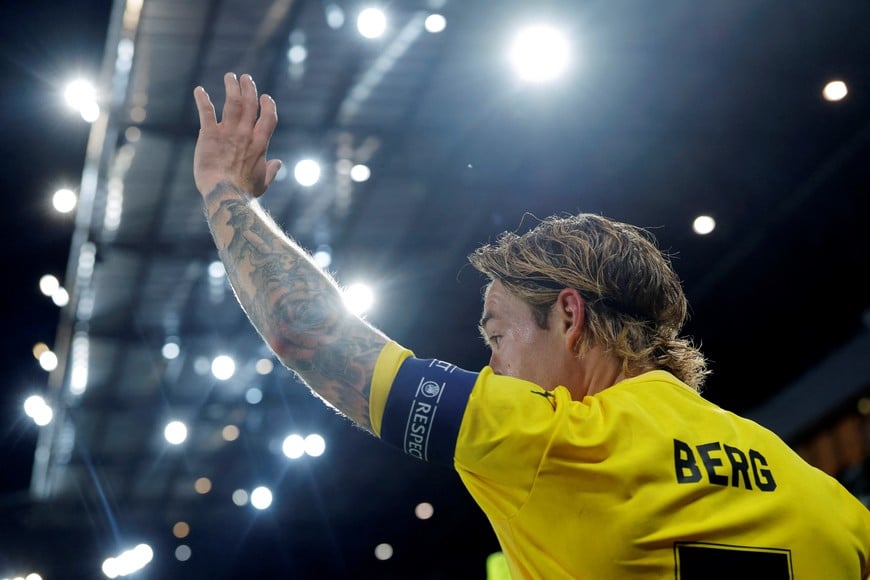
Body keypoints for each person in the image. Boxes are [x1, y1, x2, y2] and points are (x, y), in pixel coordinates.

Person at [193, 72, 870, 578]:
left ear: (569, 316)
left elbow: (302, 332)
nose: (492, 369)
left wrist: (224, 187)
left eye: (497, 336)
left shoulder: (554, 439)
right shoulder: (828, 498)